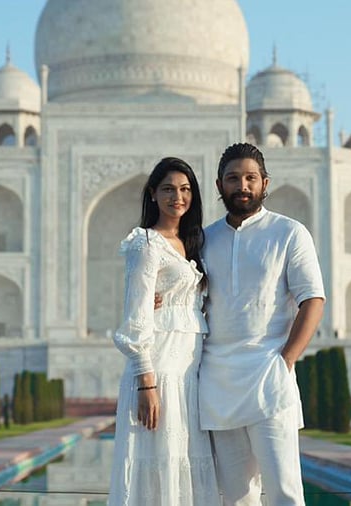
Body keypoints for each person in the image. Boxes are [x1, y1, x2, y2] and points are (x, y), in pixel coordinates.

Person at [199, 143, 326, 505]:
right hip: (218, 382)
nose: (242, 186)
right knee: (236, 496)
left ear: (265, 183)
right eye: (233, 178)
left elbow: (313, 299)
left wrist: (286, 360)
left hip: (268, 375)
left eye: (250, 178)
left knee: (284, 492)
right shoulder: (205, 239)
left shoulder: (289, 233)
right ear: (219, 185)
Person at [108, 157, 219, 505]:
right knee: (158, 460)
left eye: (185, 189)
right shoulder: (146, 243)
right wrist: (146, 382)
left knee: (182, 459)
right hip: (159, 371)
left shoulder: (192, 243)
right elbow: (135, 315)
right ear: (153, 193)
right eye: (168, 189)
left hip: (189, 370)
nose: (177, 197)